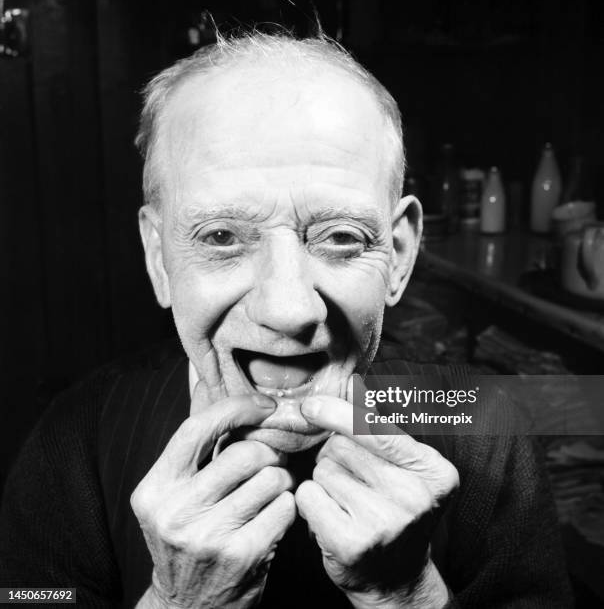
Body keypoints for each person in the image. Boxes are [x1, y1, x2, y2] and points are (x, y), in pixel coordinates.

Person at [0, 31, 572, 608]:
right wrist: (175, 602)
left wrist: (408, 595)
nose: (288, 310)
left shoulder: (481, 420)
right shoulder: (77, 435)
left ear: (398, 255)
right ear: (159, 257)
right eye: (221, 237)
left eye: (341, 238)